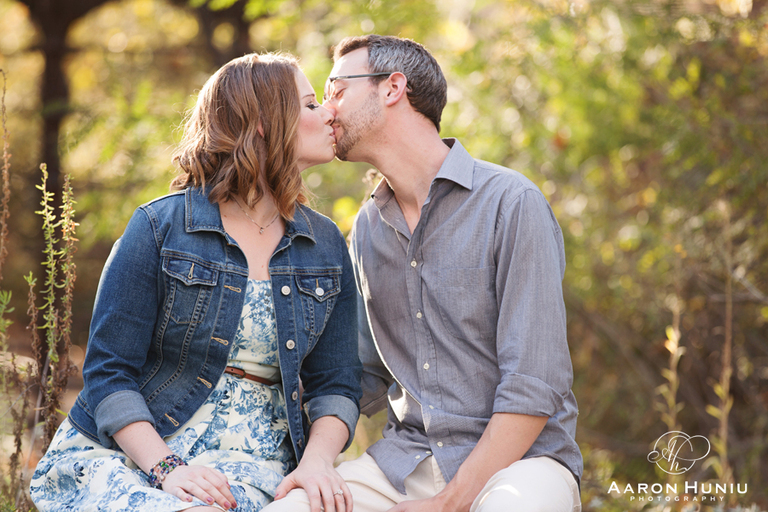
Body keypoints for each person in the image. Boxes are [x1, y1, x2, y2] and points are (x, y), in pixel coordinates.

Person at [30, 52, 361, 512]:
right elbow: (108, 374)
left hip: (253, 461)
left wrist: (318, 462)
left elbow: (337, 385)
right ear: (263, 121)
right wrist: (168, 469)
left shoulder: (324, 243)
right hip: (136, 449)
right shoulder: (161, 227)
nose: (328, 113)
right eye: (309, 105)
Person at [265, 35, 583, 512]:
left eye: (336, 90)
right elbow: (359, 373)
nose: (327, 110)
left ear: (392, 88)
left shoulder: (510, 204)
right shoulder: (367, 229)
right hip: (403, 463)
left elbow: (533, 385)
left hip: (520, 466)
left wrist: (451, 502)